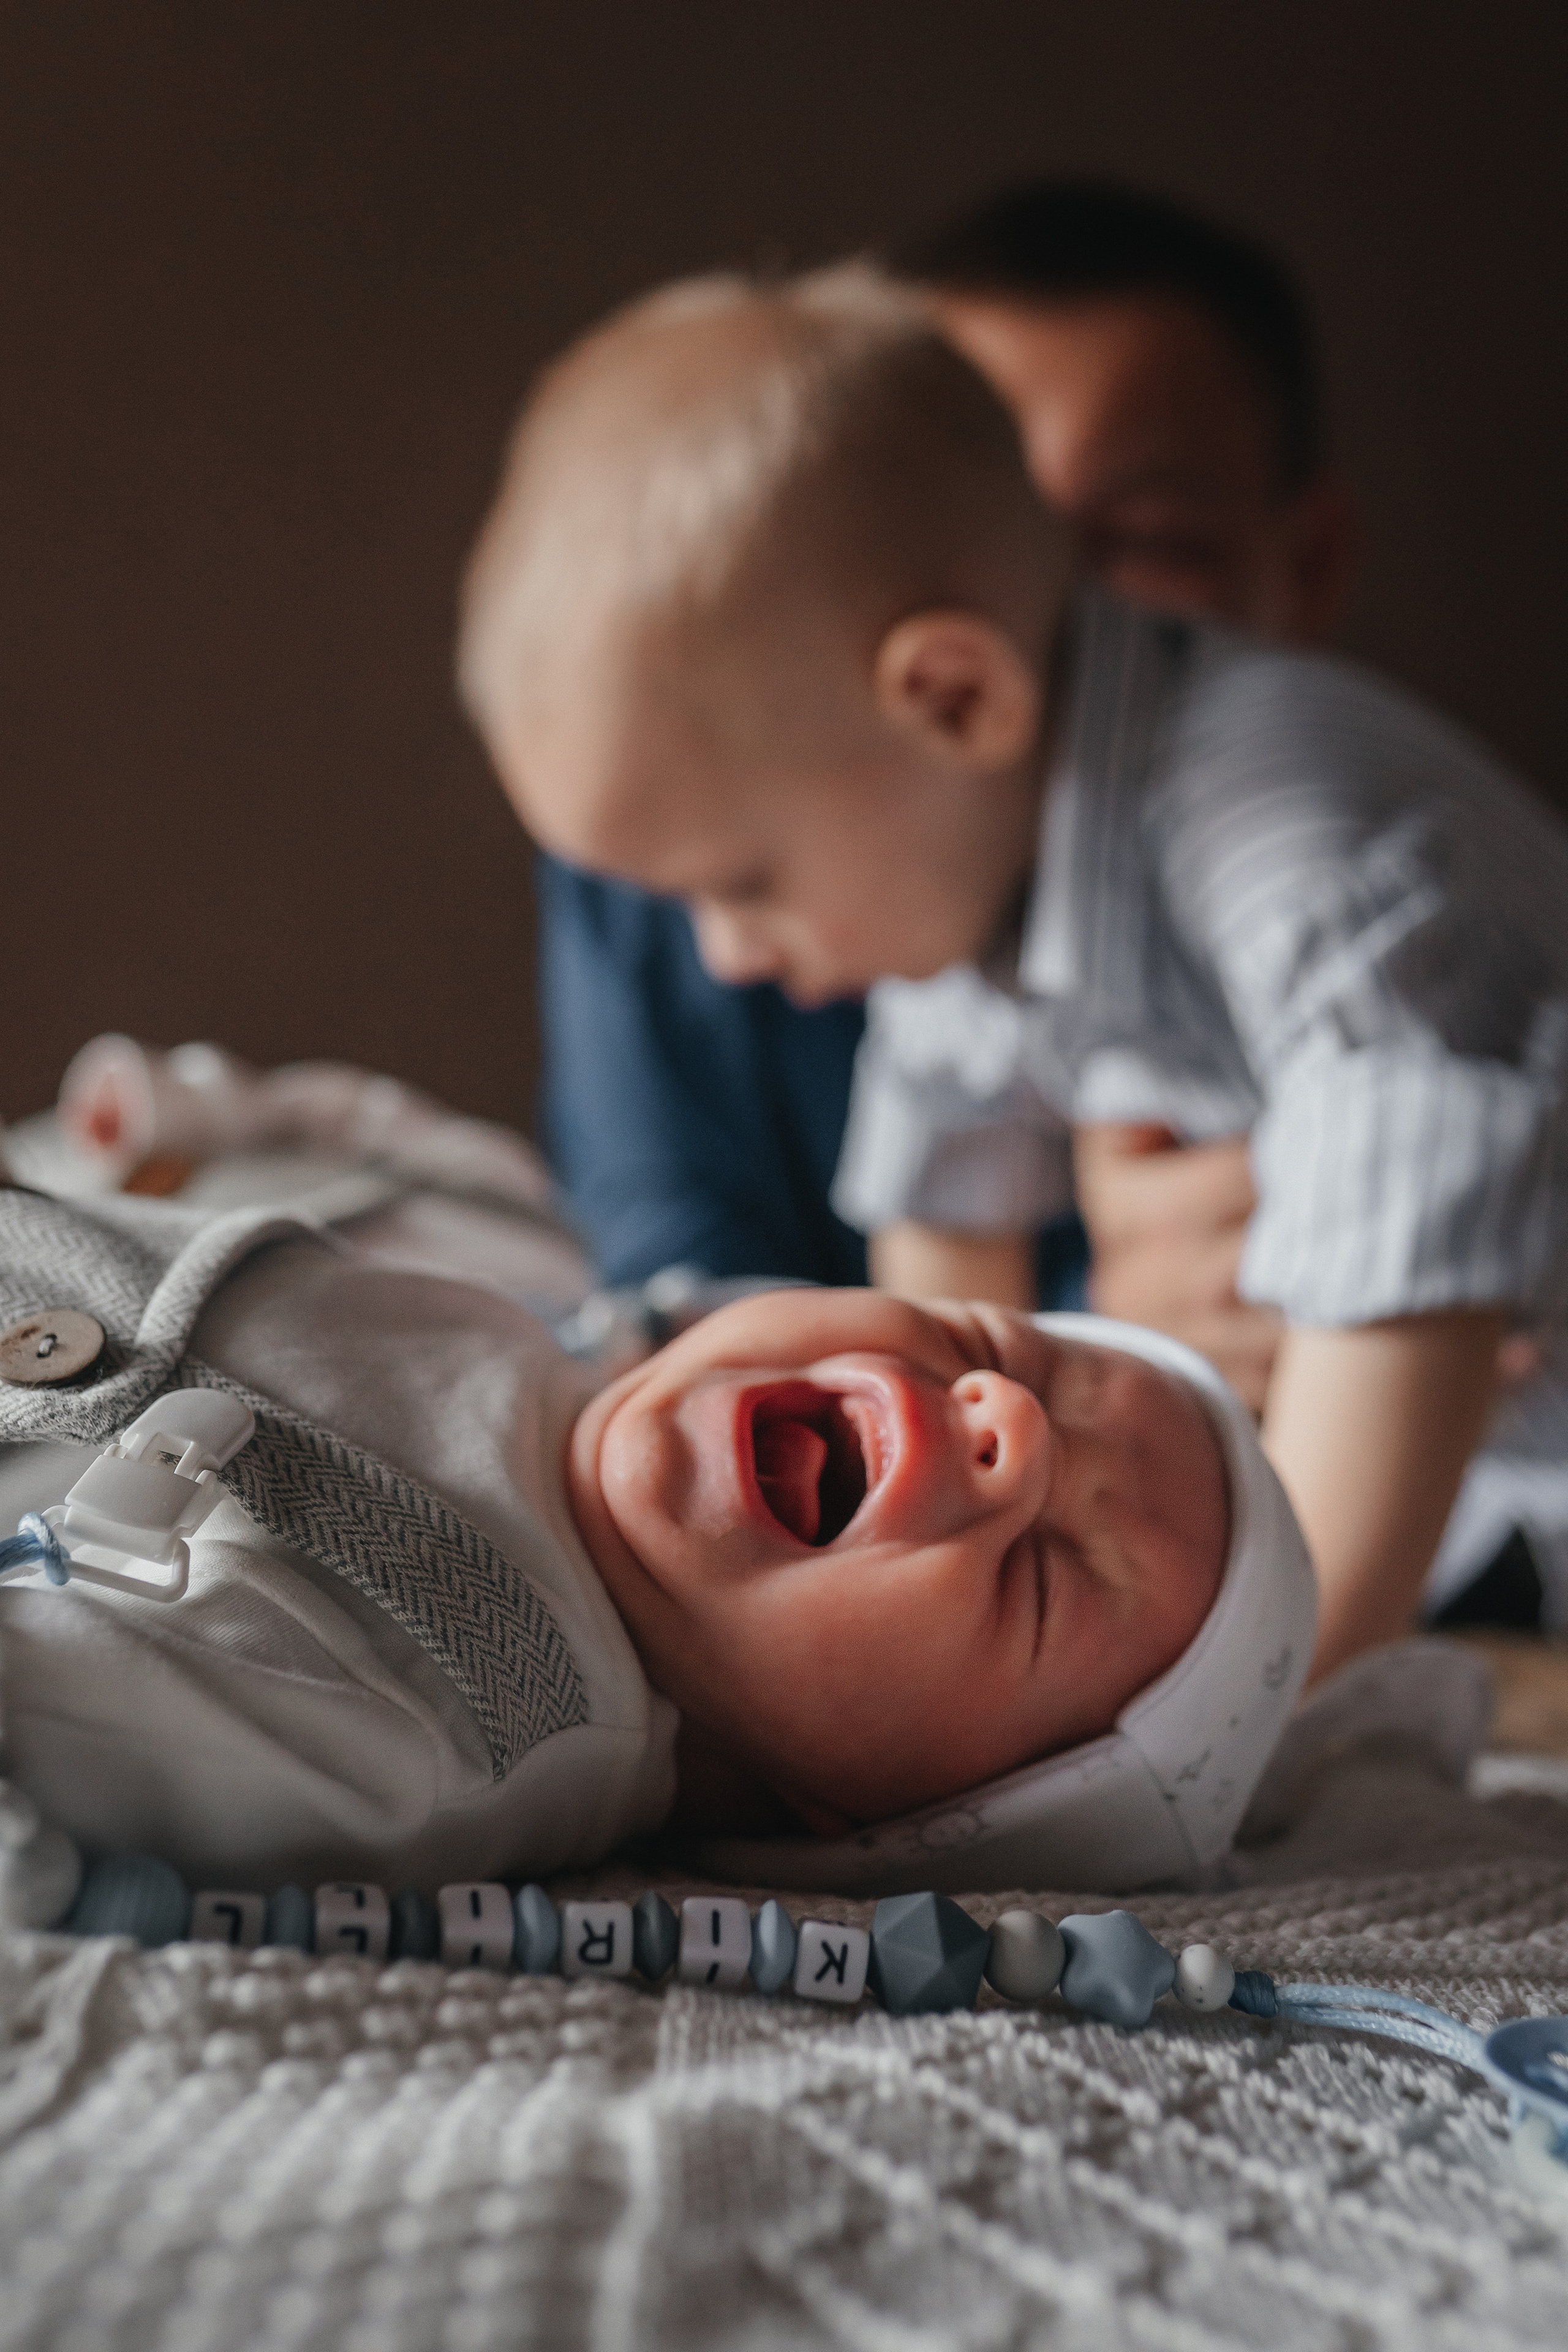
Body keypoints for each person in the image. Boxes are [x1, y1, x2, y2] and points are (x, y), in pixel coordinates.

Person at [455, 264, 1568, 1681]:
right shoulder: (960, 853)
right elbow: (937, 1257)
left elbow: (1403, 1305)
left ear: (954, 698)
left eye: (742, 885)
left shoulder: (1305, 850)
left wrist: (1267, 1690)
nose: (727, 954)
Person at [537, 181, 1356, 1411]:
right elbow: (681, 1315)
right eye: (938, 544)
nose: (1039, 628)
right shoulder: (677, 872)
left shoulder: (1366, 885)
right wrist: (1099, 1341)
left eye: (1137, 544)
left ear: (1305, 569)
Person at [0, 1178, 1310, 1901]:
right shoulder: (514, 1313)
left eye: (1043, 1580)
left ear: (876, 1820)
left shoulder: (458, 1715)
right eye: (986, 1344)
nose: (1003, 1421)